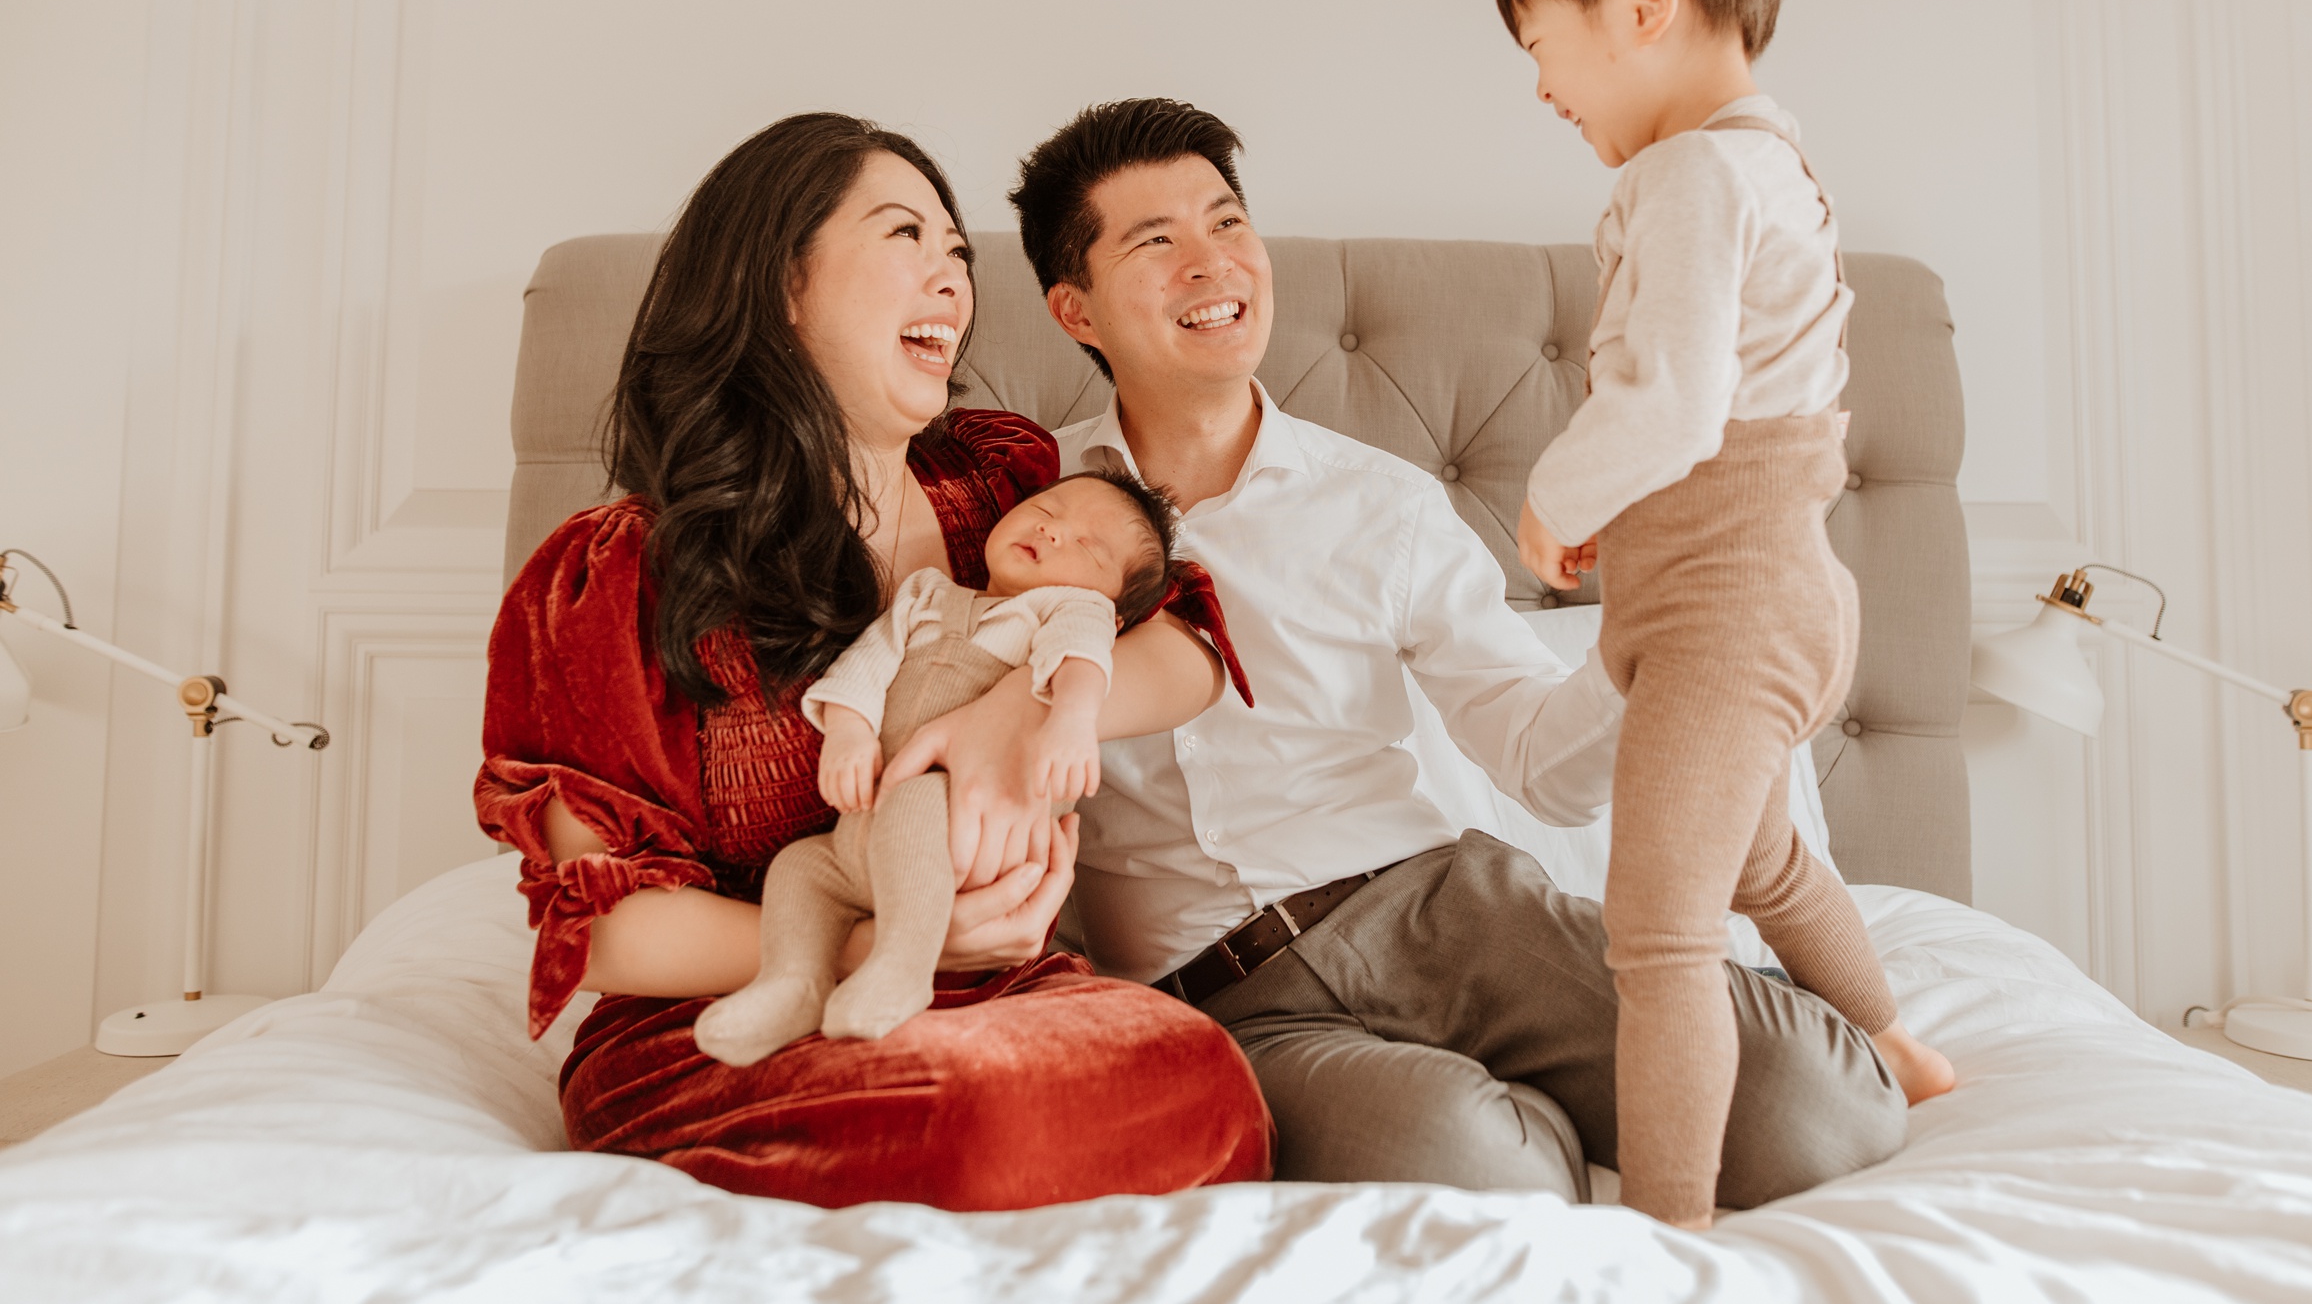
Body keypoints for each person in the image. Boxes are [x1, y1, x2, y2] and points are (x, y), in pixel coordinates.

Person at [900, 93, 1905, 1213]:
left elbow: (1545, 769)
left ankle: (1689, 1025)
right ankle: (1542, 1101)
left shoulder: (1380, 501)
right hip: (1228, 994)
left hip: (1448, 908)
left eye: (1226, 223)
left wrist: (1650, 640)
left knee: (1824, 1116)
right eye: (1157, 241)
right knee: (1483, 1172)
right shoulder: (1018, 514)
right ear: (1073, 308)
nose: (1211, 262)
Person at [472, 112, 1270, 1213]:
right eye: (907, 237)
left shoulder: (1001, 490)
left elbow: (1182, 637)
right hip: (734, 1019)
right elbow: (608, 930)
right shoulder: (613, 577)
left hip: (999, 986)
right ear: (783, 282)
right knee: (979, 1111)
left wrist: (1014, 718)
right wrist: (880, 939)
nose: (951, 279)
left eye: (957, 252)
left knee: (1202, 1076)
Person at [1492, 0, 1956, 1226]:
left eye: (1541, 45)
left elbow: (1675, 405)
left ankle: (1674, 1221)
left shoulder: (1693, 172)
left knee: (1662, 930)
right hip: (1745, 594)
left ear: (1640, 5)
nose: (1541, 89)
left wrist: (1552, 500)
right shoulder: (1770, 164)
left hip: (1730, 610)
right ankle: (1898, 1045)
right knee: (1759, 859)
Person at [694, 469, 1186, 1062]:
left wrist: (1071, 721)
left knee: (915, 800)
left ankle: (902, 966)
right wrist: (849, 732)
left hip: (970, 838)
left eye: (1088, 544)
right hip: (865, 839)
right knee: (801, 868)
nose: (1054, 532)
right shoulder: (927, 593)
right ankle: (794, 983)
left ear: (1114, 613)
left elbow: (1082, 661)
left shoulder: (1070, 609)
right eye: (1048, 509)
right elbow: (867, 665)